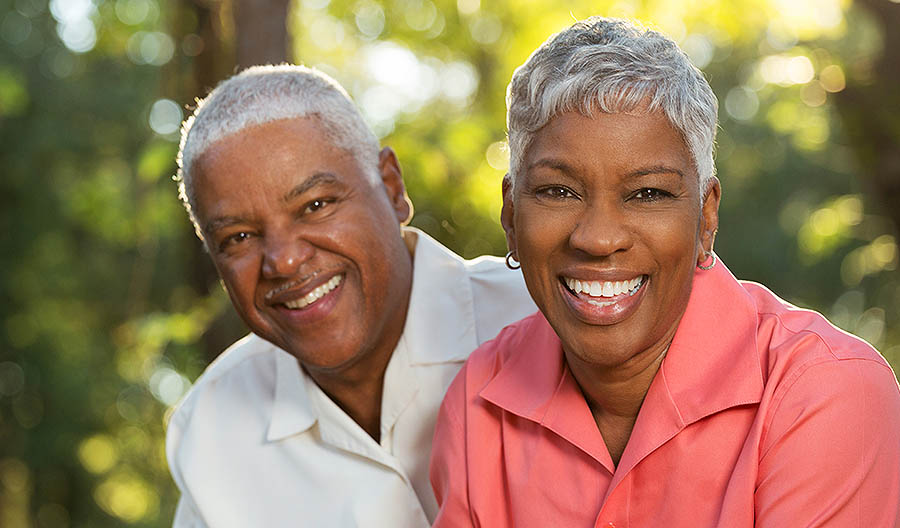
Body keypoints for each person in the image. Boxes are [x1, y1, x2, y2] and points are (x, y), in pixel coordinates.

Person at [430, 17, 900, 527]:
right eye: (558, 191)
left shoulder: (826, 392)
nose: (598, 238)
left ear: (706, 218)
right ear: (511, 217)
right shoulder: (479, 402)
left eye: (648, 193)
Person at [165, 64, 536, 527]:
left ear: (393, 187)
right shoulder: (211, 432)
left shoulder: (546, 322)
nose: (282, 261)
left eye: (316, 205)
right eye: (238, 238)